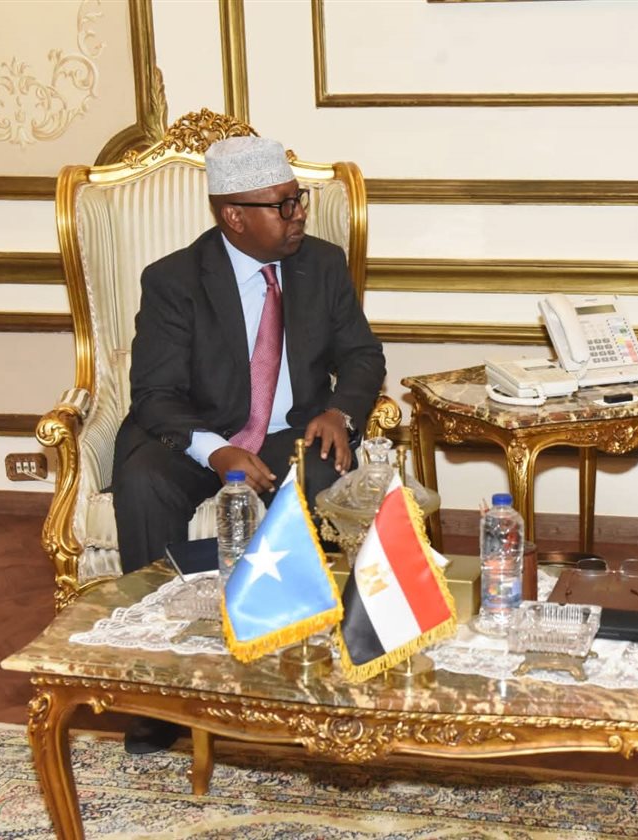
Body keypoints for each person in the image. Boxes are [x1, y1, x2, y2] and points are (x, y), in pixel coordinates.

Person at [112, 135, 386, 753]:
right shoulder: (174, 280)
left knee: (327, 476)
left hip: (291, 429)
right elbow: (154, 394)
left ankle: (314, 664)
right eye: (283, 205)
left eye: (299, 199)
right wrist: (216, 449)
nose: (299, 215)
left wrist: (339, 411)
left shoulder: (322, 264)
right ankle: (157, 688)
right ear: (234, 215)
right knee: (143, 480)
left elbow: (362, 355)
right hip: (195, 432)